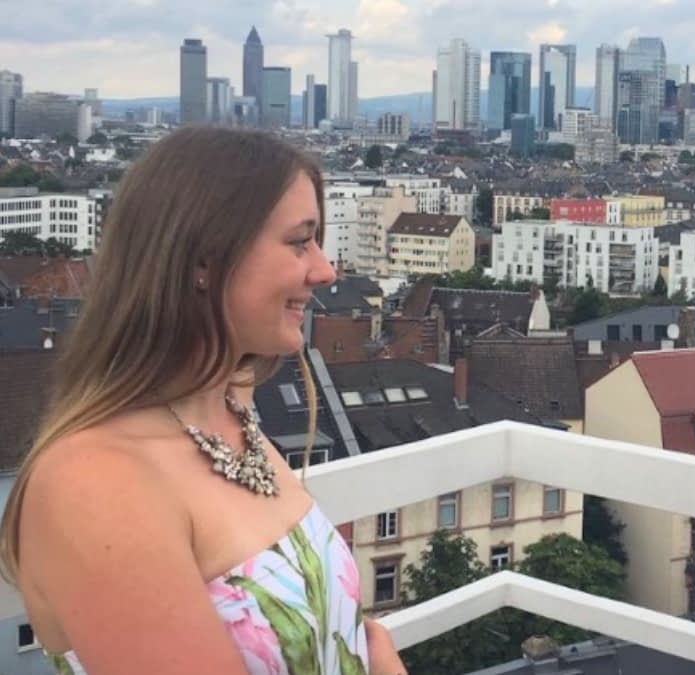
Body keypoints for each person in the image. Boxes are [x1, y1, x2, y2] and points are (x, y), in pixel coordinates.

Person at [0, 127, 408, 675]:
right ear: (202, 261)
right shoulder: (96, 483)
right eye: (298, 241)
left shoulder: (231, 414)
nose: (325, 269)